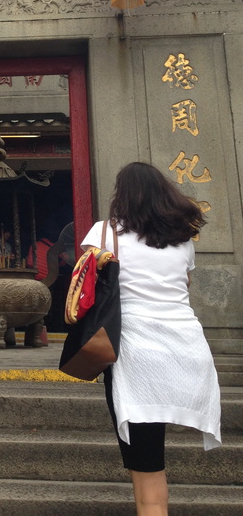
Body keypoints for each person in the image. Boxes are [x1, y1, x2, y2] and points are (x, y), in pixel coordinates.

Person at [81, 162, 221, 516]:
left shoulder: (104, 232)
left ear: (122, 195)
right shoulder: (182, 241)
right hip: (187, 350)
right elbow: (184, 285)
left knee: (147, 465)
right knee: (150, 461)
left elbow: (84, 285)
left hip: (137, 354)